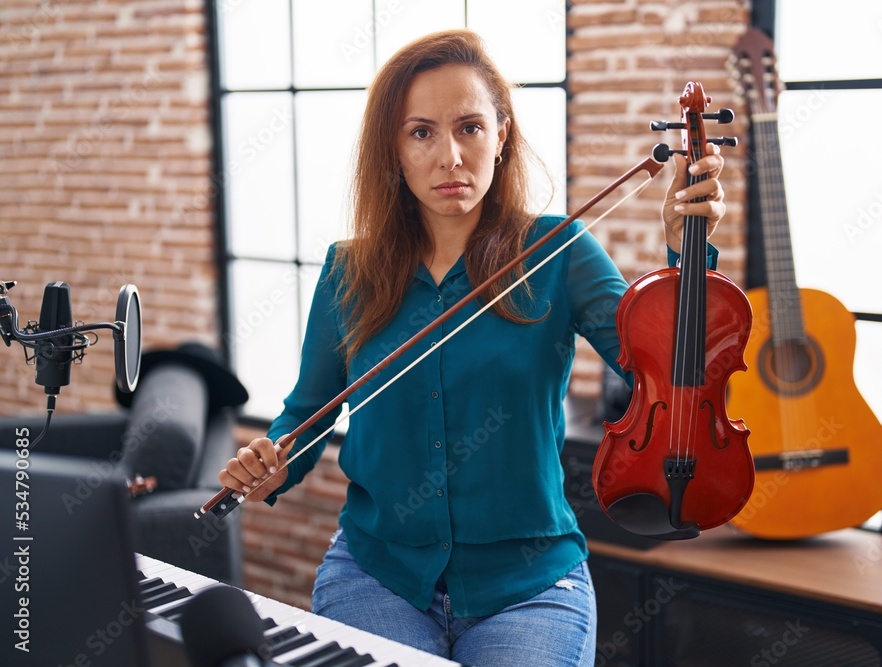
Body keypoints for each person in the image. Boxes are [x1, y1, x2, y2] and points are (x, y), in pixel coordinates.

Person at [219, 28, 726, 667]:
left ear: (501, 133)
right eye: (422, 132)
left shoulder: (559, 251)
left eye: (469, 128)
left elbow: (669, 370)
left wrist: (686, 251)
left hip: (530, 584)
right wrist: (272, 463)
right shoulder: (348, 272)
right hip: (379, 575)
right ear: (394, 149)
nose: (450, 157)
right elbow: (308, 414)